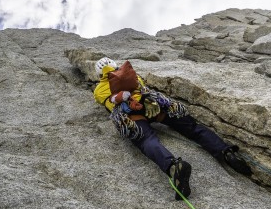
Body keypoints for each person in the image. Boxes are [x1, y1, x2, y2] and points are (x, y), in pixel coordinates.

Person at [92, 57, 250, 200]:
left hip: (132, 117)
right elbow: (142, 89)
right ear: (115, 66)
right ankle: (226, 152)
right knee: (191, 127)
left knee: (146, 140)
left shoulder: (99, 89)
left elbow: (109, 104)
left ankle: (174, 168)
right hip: (152, 105)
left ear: (100, 75)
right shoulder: (131, 74)